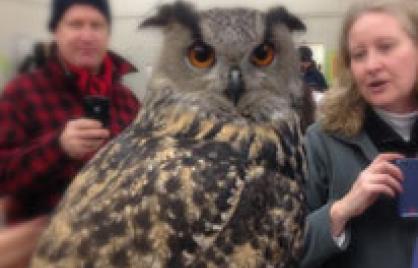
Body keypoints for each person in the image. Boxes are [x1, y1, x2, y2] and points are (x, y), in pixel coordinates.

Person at [0, 0, 140, 266]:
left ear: (107, 34)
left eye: (96, 25)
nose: (87, 35)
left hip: (120, 246)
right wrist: (58, 148)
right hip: (46, 250)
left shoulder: (127, 99)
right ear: (56, 32)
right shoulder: (22, 93)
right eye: (75, 24)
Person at [301, 0, 418, 267]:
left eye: (386, 47)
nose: (371, 65)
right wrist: (341, 210)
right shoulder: (322, 142)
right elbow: (283, 249)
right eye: (359, 54)